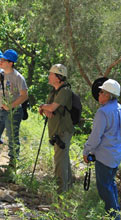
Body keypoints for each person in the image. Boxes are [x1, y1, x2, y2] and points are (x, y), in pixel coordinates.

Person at [83, 79, 121, 219]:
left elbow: (95, 137)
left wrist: (86, 151)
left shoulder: (102, 112)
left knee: (104, 188)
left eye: (101, 91)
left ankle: (115, 216)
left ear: (108, 95)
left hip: (104, 157)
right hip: (116, 155)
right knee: (111, 183)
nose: (99, 94)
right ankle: (117, 213)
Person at [39, 64, 74, 193]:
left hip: (63, 130)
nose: (48, 76)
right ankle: (68, 188)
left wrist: (45, 107)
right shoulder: (54, 91)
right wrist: (45, 108)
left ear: (58, 77)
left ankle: (61, 191)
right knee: (62, 158)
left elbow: (51, 108)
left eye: (51, 74)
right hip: (56, 131)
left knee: (60, 160)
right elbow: (47, 109)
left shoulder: (65, 91)